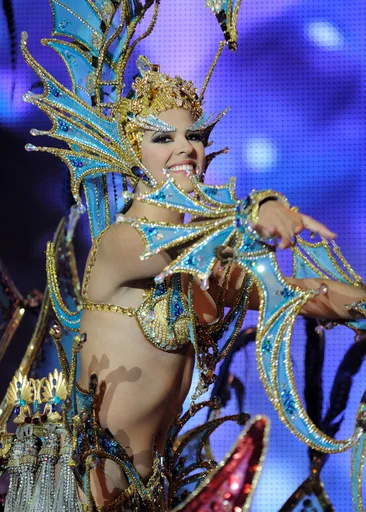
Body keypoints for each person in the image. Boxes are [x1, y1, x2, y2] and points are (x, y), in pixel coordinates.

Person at [78, 92, 366, 508]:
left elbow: (295, 293)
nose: (185, 148)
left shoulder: (203, 272)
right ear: (129, 148)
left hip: (156, 491)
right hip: (86, 491)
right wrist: (258, 208)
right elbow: (180, 245)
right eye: (162, 138)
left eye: (193, 135)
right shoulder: (119, 244)